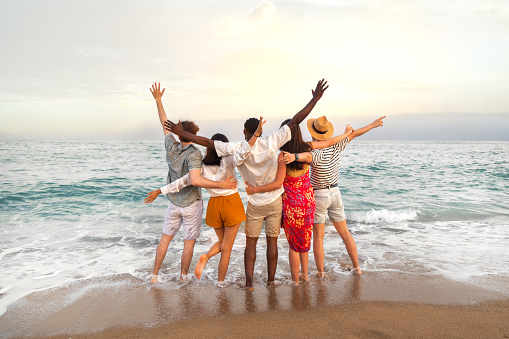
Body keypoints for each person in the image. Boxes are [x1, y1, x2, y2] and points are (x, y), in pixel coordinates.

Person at [164, 79, 329, 289]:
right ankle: (270, 281)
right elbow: (296, 120)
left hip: (255, 203)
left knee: (250, 244)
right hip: (274, 201)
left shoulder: (237, 148)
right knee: (272, 243)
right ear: (259, 129)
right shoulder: (272, 142)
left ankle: (249, 284)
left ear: (245, 131)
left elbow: (206, 142)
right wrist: (314, 99)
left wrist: (182, 133)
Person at [146, 118, 265, 283]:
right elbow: (241, 156)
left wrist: (161, 190)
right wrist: (254, 139)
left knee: (222, 243)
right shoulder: (229, 160)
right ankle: (219, 280)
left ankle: (204, 259)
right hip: (231, 203)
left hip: (214, 206)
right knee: (227, 249)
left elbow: (183, 181)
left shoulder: (201, 165)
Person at [148, 82, 237, 284]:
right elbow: (195, 179)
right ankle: (183, 277)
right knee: (188, 243)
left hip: (173, 203)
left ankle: (154, 276)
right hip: (192, 204)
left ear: (179, 133)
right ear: (193, 135)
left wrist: (159, 101)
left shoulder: (171, 146)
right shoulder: (195, 154)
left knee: (165, 239)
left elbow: (164, 124)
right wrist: (222, 185)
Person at [245, 121, 353, 285]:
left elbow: (277, 184)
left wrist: (255, 190)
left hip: (292, 205)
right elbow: (330, 142)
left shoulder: (283, 156)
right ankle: (305, 275)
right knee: (305, 241)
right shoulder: (307, 148)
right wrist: (347, 134)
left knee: (294, 245)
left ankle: (295, 281)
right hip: (308, 201)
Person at [281, 115, 386, 276]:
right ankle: (357, 267)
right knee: (345, 233)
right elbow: (356, 133)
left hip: (319, 195)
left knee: (318, 237)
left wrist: (294, 156)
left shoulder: (313, 151)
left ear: (313, 134)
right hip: (336, 193)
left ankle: (321, 272)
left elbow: (305, 157)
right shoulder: (337, 146)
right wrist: (373, 124)